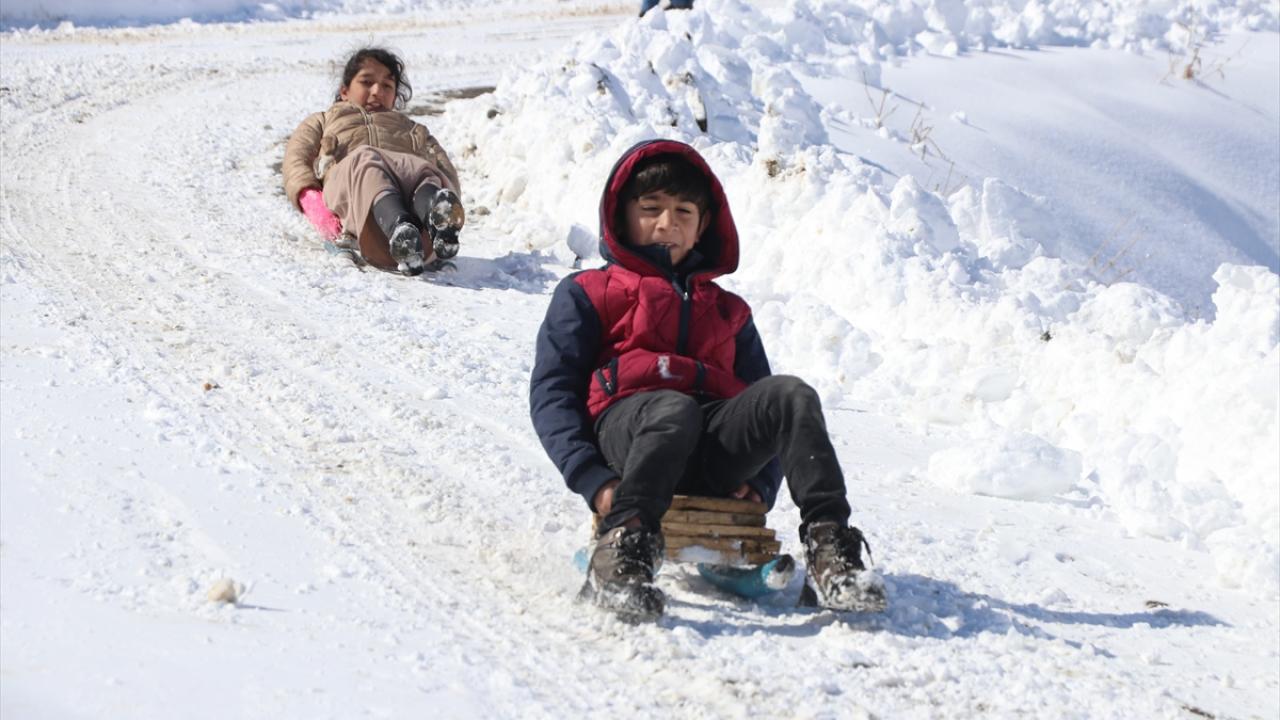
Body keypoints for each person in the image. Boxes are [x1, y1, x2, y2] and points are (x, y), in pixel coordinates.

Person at [529, 139, 887, 622]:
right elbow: (553, 392)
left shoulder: (729, 311)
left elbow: (765, 406)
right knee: (671, 409)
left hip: (709, 446)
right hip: (629, 439)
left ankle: (830, 551)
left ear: (702, 228)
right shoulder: (588, 292)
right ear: (621, 216)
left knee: (791, 395)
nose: (666, 224)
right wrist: (593, 479)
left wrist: (759, 483)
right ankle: (624, 548)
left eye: (683, 212)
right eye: (650, 208)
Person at [282, 47, 464, 275]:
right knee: (367, 160)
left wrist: (450, 195)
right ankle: (399, 228)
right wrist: (312, 202)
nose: (377, 91)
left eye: (387, 86)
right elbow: (296, 160)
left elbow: (446, 172)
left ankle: (435, 222)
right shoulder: (325, 120)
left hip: (414, 220)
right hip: (355, 205)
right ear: (345, 91)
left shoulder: (413, 129)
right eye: (367, 82)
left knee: (424, 172)